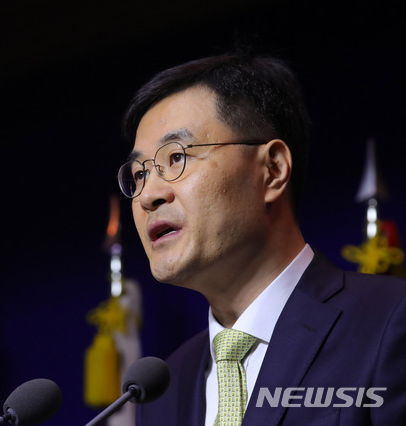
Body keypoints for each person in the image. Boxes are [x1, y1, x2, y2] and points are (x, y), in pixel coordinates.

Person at [117, 52, 406, 425]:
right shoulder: (161, 390)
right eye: (139, 174)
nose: (148, 196)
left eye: (176, 157)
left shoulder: (388, 321)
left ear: (273, 169)